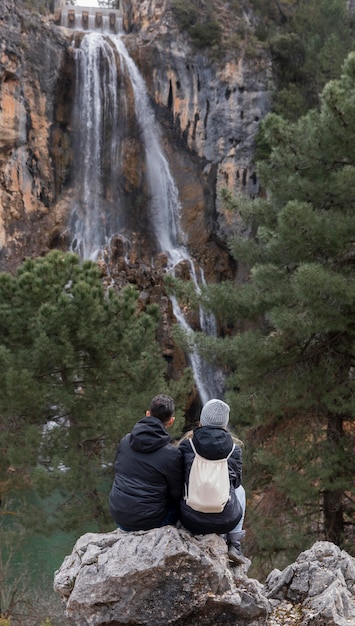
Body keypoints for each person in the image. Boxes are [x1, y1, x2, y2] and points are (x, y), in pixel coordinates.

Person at [179, 398, 247, 565]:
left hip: (190, 520)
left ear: (202, 420)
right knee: (240, 491)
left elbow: (177, 478)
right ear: (225, 423)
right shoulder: (234, 450)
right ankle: (234, 544)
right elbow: (236, 482)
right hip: (225, 521)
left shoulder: (187, 446)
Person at [109, 394, 183, 531]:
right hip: (151, 522)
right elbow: (177, 493)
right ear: (171, 421)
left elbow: (119, 470)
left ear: (148, 414)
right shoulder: (171, 454)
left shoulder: (125, 441)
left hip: (119, 515)